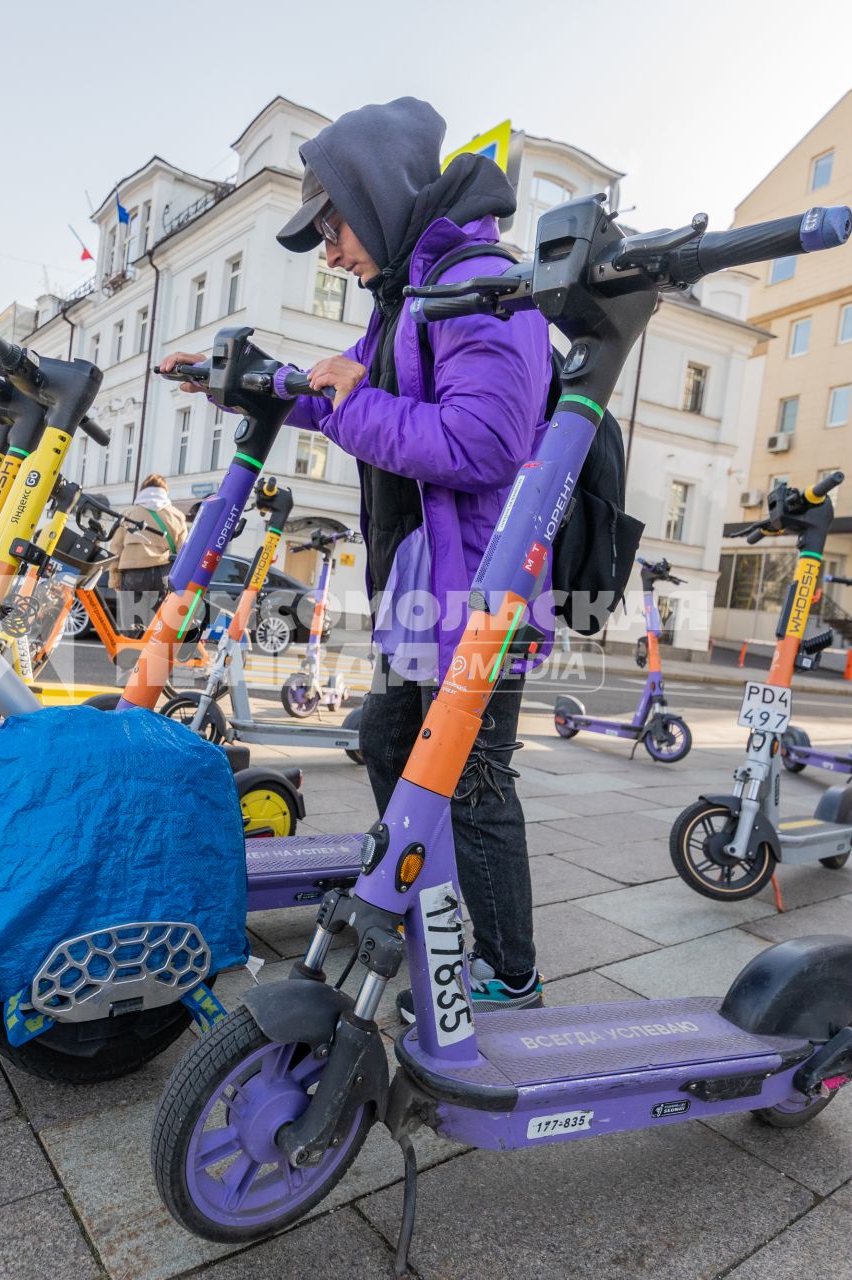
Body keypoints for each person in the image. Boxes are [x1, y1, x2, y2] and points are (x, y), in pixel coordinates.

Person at [162, 97, 554, 1018]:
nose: (331, 251)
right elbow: (336, 390)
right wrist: (241, 384)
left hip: (480, 591)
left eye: (332, 227)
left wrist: (342, 402)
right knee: (387, 737)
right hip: (429, 585)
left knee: (476, 775)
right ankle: (422, 890)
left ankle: (510, 973)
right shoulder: (407, 301)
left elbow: (480, 443)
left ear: (375, 199)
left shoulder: (480, 285)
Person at [107, 473, 189, 635]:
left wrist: (115, 578)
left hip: (133, 574)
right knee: (158, 626)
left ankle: (131, 656)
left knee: (132, 626)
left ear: (143, 490)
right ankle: (153, 659)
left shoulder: (129, 514)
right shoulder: (176, 515)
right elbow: (183, 553)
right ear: (165, 491)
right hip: (163, 574)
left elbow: (115, 549)